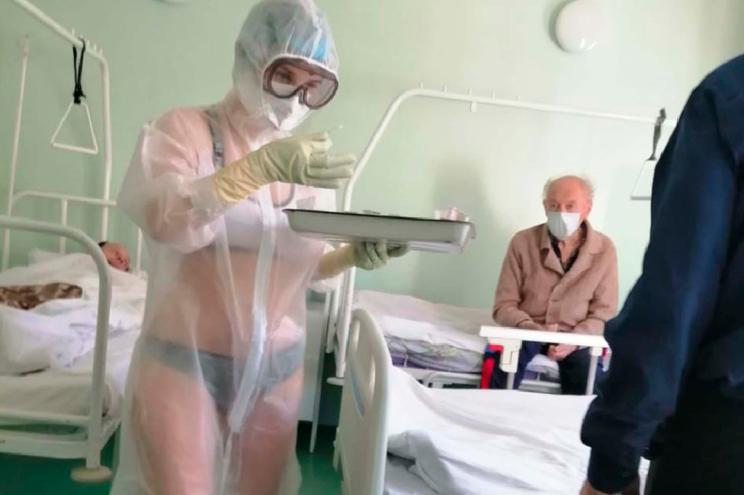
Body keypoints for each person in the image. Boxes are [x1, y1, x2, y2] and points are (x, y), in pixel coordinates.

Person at [110, 1, 407, 494]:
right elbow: (164, 216)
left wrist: (352, 256)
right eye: (285, 75)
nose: (296, 98)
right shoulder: (186, 130)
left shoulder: (306, 165)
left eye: (312, 87)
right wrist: (253, 170)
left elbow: (300, 268)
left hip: (279, 369)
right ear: (250, 60)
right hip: (185, 363)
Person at [580, 56, 744, 495]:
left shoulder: (730, 99)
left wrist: (612, 463)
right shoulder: (524, 244)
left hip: (725, 437)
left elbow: (674, 302)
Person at [491, 175, 618, 394]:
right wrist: (532, 329)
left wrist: (574, 341)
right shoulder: (522, 242)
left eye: (570, 206)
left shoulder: (605, 249)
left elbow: (604, 314)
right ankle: (490, 421)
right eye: (553, 205)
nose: (561, 212)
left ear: (587, 208)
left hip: (576, 337)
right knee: (501, 364)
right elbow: (503, 306)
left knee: (590, 382)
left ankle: (575, 429)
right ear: (544, 207)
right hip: (527, 330)